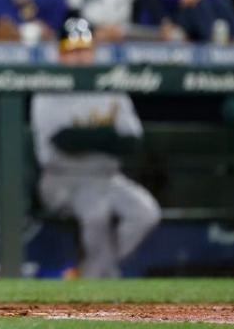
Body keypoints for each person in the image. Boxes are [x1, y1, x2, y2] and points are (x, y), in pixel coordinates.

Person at [31, 17, 161, 278]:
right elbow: (64, 142)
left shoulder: (108, 83)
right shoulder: (50, 86)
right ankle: (102, 278)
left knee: (147, 212)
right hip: (63, 179)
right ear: (60, 54)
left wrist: (91, 137)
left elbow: (132, 140)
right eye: (73, 51)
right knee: (97, 213)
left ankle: (92, 270)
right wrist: (106, 137)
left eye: (85, 50)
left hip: (108, 177)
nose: (80, 57)